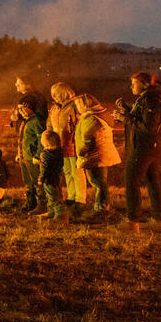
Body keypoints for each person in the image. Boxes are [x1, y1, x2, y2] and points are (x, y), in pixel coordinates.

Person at [114, 73, 161, 233]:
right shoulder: (148, 99)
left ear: (144, 84)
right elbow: (143, 118)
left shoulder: (151, 100)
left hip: (143, 148)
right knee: (153, 182)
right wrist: (126, 110)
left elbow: (148, 127)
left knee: (132, 183)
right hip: (151, 147)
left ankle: (132, 222)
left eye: (134, 83)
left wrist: (126, 118)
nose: (131, 87)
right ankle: (158, 221)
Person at [73, 94, 121, 223]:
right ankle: (102, 207)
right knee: (100, 181)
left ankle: (102, 209)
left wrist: (82, 151)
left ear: (85, 105)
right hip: (100, 154)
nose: (76, 107)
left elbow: (89, 139)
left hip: (94, 155)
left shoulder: (91, 119)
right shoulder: (97, 115)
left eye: (78, 104)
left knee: (97, 182)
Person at [48, 82, 87, 218]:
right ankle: (71, 196)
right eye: (53, 94)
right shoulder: (55, 108)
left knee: (77, 172)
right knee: (68, 171)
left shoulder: (74, 105)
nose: (54, 97)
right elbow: (51, 124)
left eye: (56, 94)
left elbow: (80, 122)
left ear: (64, 93)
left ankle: (80, 199)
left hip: (73, 143)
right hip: (61, 144)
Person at [16, 101, 44, 213]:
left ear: (30, 108)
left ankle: (42, 204)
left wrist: (38, 155)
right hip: (24, 157)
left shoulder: (36, 121)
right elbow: (23, 140)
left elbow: (41, 140)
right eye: (19, 109)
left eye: (23, 108)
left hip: (32, 158)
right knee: (27, 182)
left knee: (36, 181)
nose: (20, 111)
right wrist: (19, 154)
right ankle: (30, 203)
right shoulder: (24, 122)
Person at [37, 131, 67, 222]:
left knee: (53, 197)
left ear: (46, 142)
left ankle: (60, 215)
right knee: (55, 195)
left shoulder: (46, 154)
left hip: (48, 179)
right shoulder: (59, 152)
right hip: (56, 177)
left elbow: (45, 167)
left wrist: (41, 178)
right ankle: (51, 212)